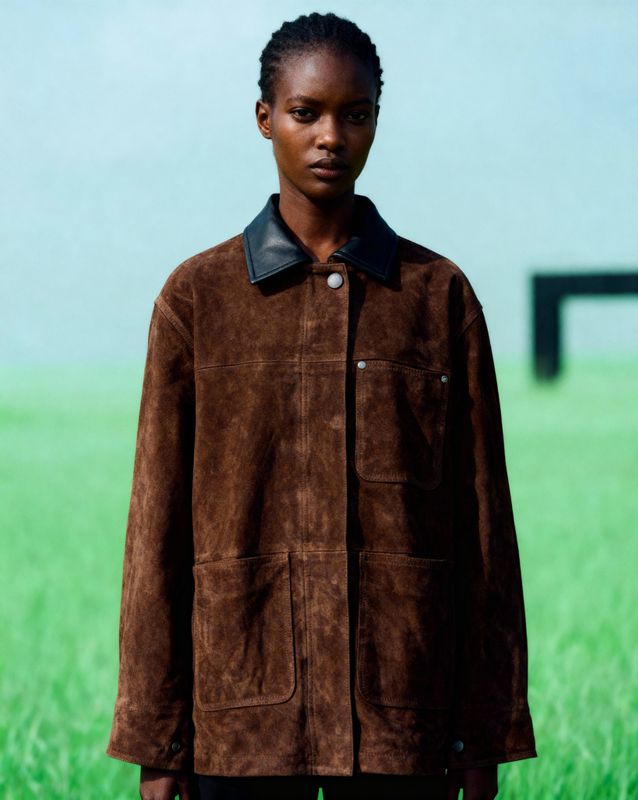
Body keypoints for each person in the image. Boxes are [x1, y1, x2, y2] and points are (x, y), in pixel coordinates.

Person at [105, 11, 537, 800]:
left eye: (356, 113)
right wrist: (159, 744)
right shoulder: (197, 300)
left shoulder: (438, 298)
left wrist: (486, 733)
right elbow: (154, 538)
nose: (331, 135)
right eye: (306, 113)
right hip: (241, 730)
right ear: (265, 118)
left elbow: (485, 537)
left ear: (378, 119)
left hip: (403, 725)